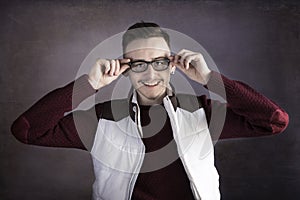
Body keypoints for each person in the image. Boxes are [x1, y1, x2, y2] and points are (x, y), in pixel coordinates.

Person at [11, 22, 289, 200]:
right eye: (138, 64)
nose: (150, 74)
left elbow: (273, 121)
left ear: (172, 64)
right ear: (124, 70)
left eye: (158, 62)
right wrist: (89, 84)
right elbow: (27, 130)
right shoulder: (101, 119)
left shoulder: (201, 112)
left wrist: (210, 79)